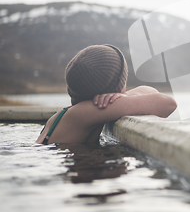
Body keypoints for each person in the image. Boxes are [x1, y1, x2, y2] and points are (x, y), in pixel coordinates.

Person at [36, 44, 176, 145]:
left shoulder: (73, 111)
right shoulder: (91, 110)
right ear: (115, 88)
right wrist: (124, 99)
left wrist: (124, 97)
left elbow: (148, 90)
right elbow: (167, 104)